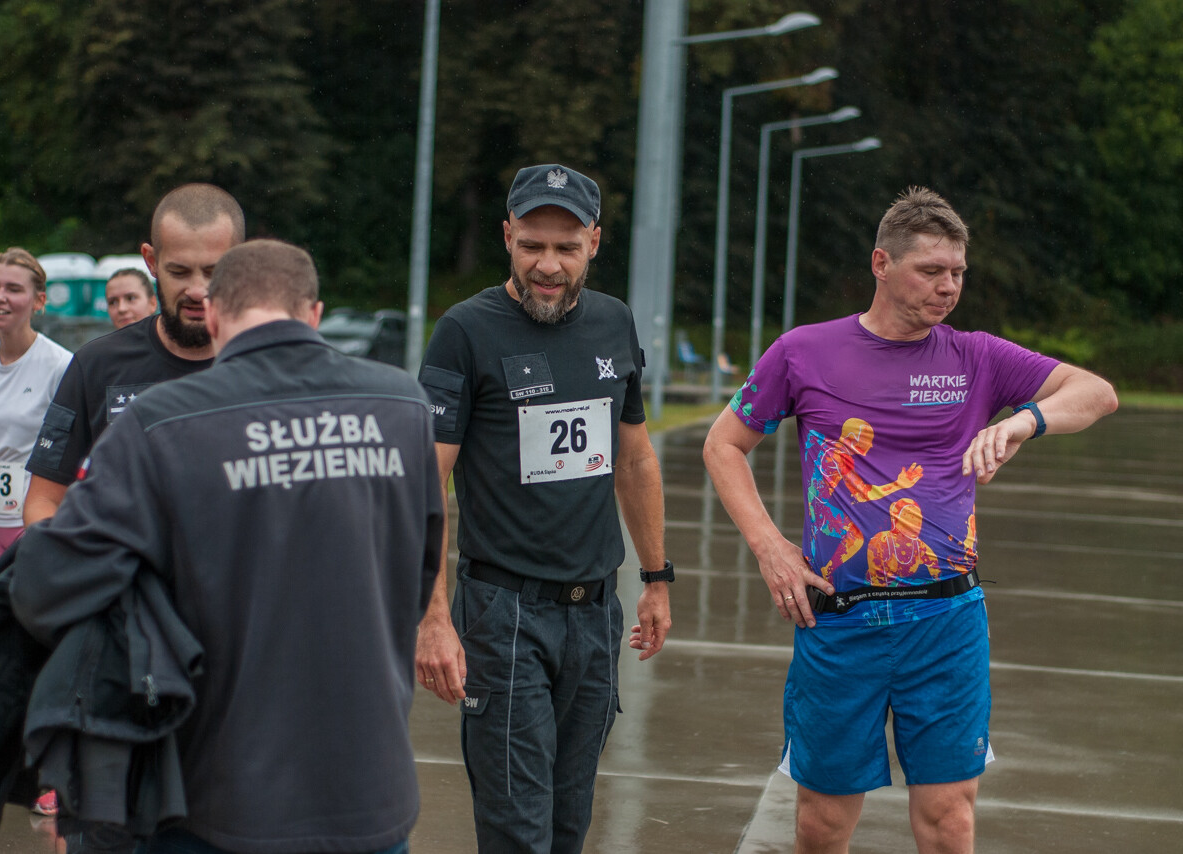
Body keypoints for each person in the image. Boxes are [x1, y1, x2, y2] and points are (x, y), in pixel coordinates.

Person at [703, 187, 1118, 854]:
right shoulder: (803, 351)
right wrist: (769, 546)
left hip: (946, 623)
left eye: (957, 272)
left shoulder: (975, 356)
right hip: (839, 620)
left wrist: (1023, 423)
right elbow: (723, 445)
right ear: (881, 264)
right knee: (822, 825)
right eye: (931, 271)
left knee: (950, 821)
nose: (947, 287)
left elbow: (1097, 393)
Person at [10, 239, 442, 854]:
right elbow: (419, 572)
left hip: (215, 797)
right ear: (314, 315)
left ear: (213, 317)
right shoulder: (403, 407)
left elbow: (46, 584)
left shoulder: (161, 421)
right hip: (370, 794)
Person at [416, 163, 673, 853]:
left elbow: (636, 459)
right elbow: (423, 488)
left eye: (566, 246)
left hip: (595, 616)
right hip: (505, 616)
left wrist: (656, 578)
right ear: (507, 237)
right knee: (518, 832)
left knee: (567, 828)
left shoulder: (614, 323)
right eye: (532, 244)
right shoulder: (465, 332)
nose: (548, 265)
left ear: (595, 241)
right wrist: (434, 616)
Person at [24, 183, 243, 526]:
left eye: (214, 272)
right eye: (179, 272)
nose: (197, 290)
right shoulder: (96, 365)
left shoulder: (268, 366)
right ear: (151, 262)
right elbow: (43, 501)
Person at [0, 249, 72, 571]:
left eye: (14, 289)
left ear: (39, 301)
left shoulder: (61, 366)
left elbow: (75, 450)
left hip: (32, 523)